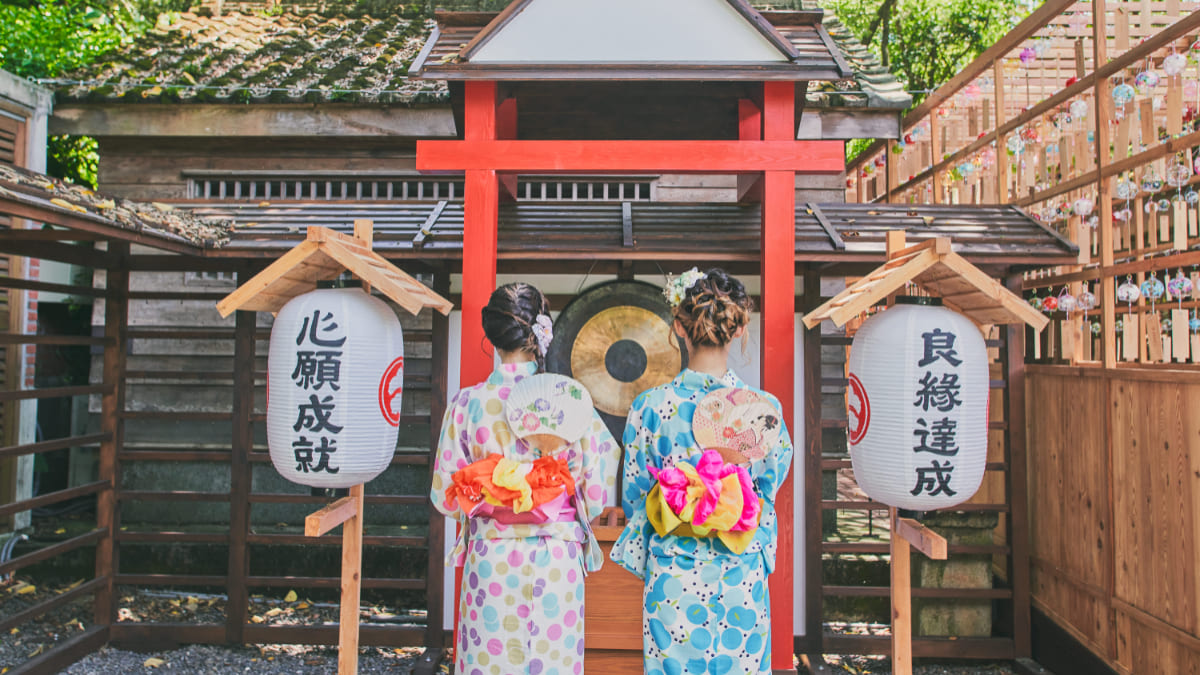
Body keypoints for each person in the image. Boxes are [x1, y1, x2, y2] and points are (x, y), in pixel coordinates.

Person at [611, 268, 794, 675]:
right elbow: (767, 488)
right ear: (739, 326)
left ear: (679, 326)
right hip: (739, 568)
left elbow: (637, 495)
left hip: (673, 569)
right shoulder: (762, 409)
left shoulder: (649, 407)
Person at [431, 282, 620, 675]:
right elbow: (598, 496)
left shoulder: (467, 404)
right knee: (554, 662)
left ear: (492, 336)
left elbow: (445, 496)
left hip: (492, 558)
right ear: (540, 333)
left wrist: (495, 489)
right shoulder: (572, 400)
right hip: (555, 558)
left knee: (491, 661)